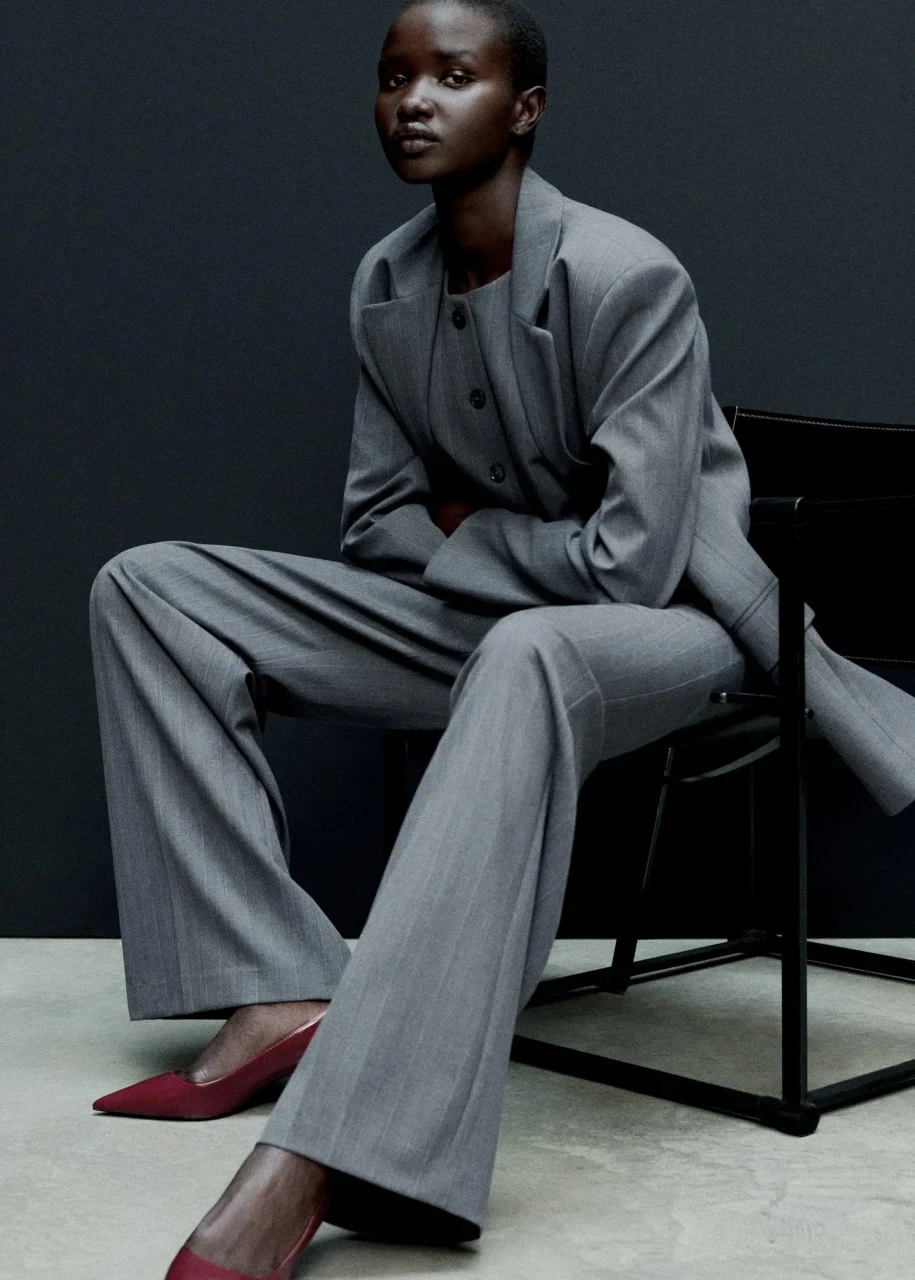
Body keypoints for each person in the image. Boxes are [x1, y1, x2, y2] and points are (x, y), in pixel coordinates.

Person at [88, 1, 915, 1277]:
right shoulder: (386, 283)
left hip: (675, 631)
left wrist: (467, 529)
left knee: (531, 649)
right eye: (393, 77)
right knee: (149, 587)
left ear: (523, 109)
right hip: (494, 623)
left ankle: (336, 1146)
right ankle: (273, 985)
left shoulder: (627, 275)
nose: (413, 100)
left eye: (452, 75)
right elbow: (375, 522)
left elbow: (634, 564)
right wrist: (496, 546)